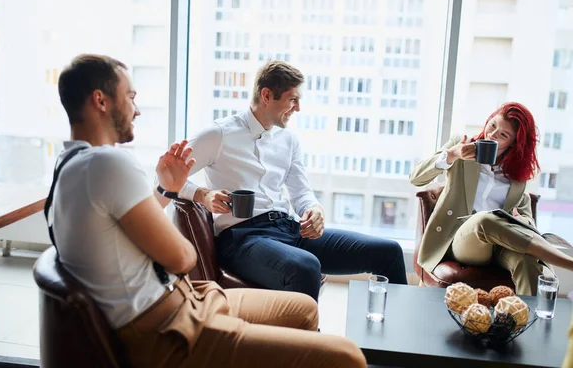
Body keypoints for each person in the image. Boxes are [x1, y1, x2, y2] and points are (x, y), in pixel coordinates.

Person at [50, 54, 366, 368]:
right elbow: (183, 258)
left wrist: (169, 189)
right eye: (130, 97)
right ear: (101, 102)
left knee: (304, 309)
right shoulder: (109, 163)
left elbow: (138, 222)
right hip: (168, 325)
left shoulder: (70, 164)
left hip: (183, 298)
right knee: (348, 356)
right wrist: (196, 197)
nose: (137, 109)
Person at [178, 60, 408, 301]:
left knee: (388, 252)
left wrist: (314, 209)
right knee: (306, 266)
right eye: (292, 99)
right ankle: (307, 339)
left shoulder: (288, 141)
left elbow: (300, 193)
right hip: (243, 238)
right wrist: (203, 195)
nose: (297, 108)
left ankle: (396, 337)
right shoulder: (219, 134)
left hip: (288, 229)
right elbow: (167, 177)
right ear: (267, 95)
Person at [410, 102, 573, 295]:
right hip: (461, 241)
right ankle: (568, 263)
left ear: (513, 143)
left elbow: (527, 219)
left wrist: (522, 220)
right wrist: (452, 155)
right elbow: (416, 177)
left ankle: (524, 320)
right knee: (485, 220)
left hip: (500, 246)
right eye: (493, 125)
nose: (493, 134)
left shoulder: (517, 176)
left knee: (527, 261)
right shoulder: (461, 147)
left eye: (503, 134)